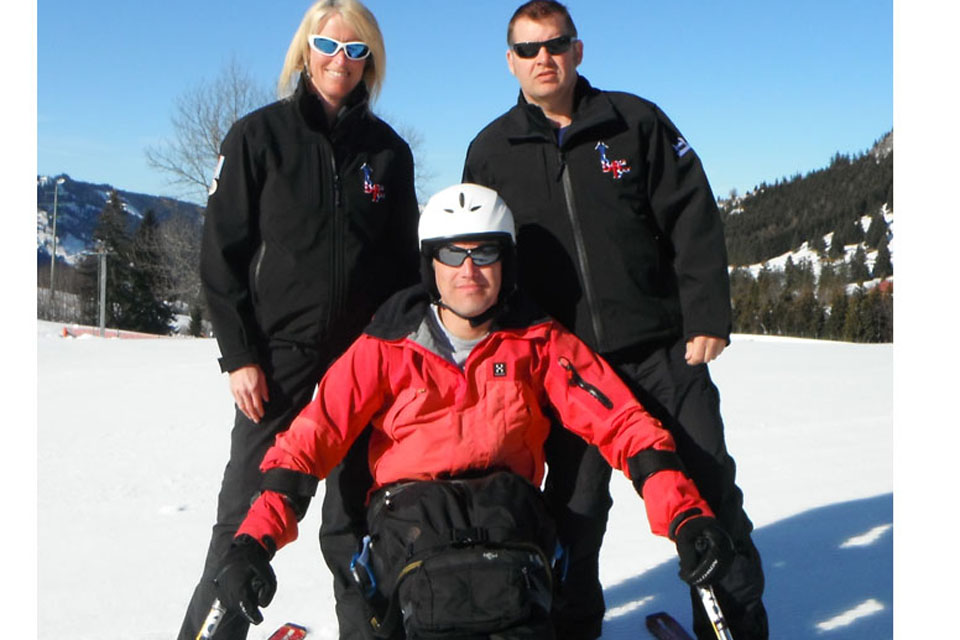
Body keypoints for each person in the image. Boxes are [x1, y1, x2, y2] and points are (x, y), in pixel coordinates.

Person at [210, 183, 735, 640]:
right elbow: (309, 441)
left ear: (506, 263)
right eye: (452, 254)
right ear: (428, 264)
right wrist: (255, 541)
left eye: (485, 254)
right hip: (409, 532)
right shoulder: (384, 347)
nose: (469, 271)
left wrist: (685, 515)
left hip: (509, 530)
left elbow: (623, 424)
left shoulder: (538, 342)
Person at [461, 3, 769, 639]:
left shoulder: (634, 121)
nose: (542, 58)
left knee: (707, 496)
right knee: (572, 517)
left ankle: (732, 630)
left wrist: (705, 313)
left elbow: (692, 217)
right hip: (566, 371)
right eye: (527, 49)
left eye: (555, 44)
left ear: (578, 50)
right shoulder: (491, 151)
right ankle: (573, 631)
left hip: (662, 355)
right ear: (509, 61)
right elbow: (480, 258)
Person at [178, 2, 420, 638]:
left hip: (361, 366)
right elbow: (220, 259)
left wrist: (396, 354)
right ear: (305, 51)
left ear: (372, 60)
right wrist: (239, 356)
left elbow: (404, 271)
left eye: (357, 49)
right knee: (245, 518)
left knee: (358, 523)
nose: (342, 60)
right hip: (277, 363)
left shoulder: (389, 154)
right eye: (328, 45)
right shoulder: (258, 137)